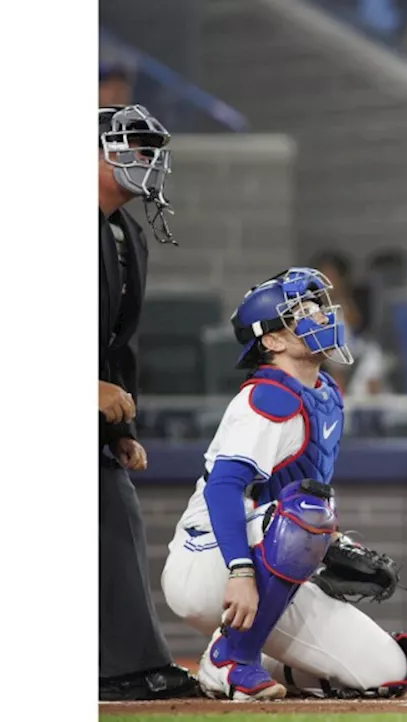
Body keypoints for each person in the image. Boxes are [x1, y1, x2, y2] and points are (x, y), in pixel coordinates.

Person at [160, 267, 407, 700]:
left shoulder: (325, 392)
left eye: (319, 306)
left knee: (387, 671)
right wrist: (240, 570)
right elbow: (224, 489)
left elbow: (294, 493)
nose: (320, 316)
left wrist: (328, 546)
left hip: (263, 556)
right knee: (309, 513)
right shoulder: (268, 396)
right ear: (272, 340)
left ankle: (251, 653)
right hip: (209, 561)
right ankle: (230, 659)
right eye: (302, 311)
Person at [98, 104, 198, 701]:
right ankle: (124, 667)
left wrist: (117, 431)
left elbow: (115, 342)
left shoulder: (123, 233)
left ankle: (125, 665)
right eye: (129, 144)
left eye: (148, 146)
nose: (144, 158)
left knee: (114, 507)